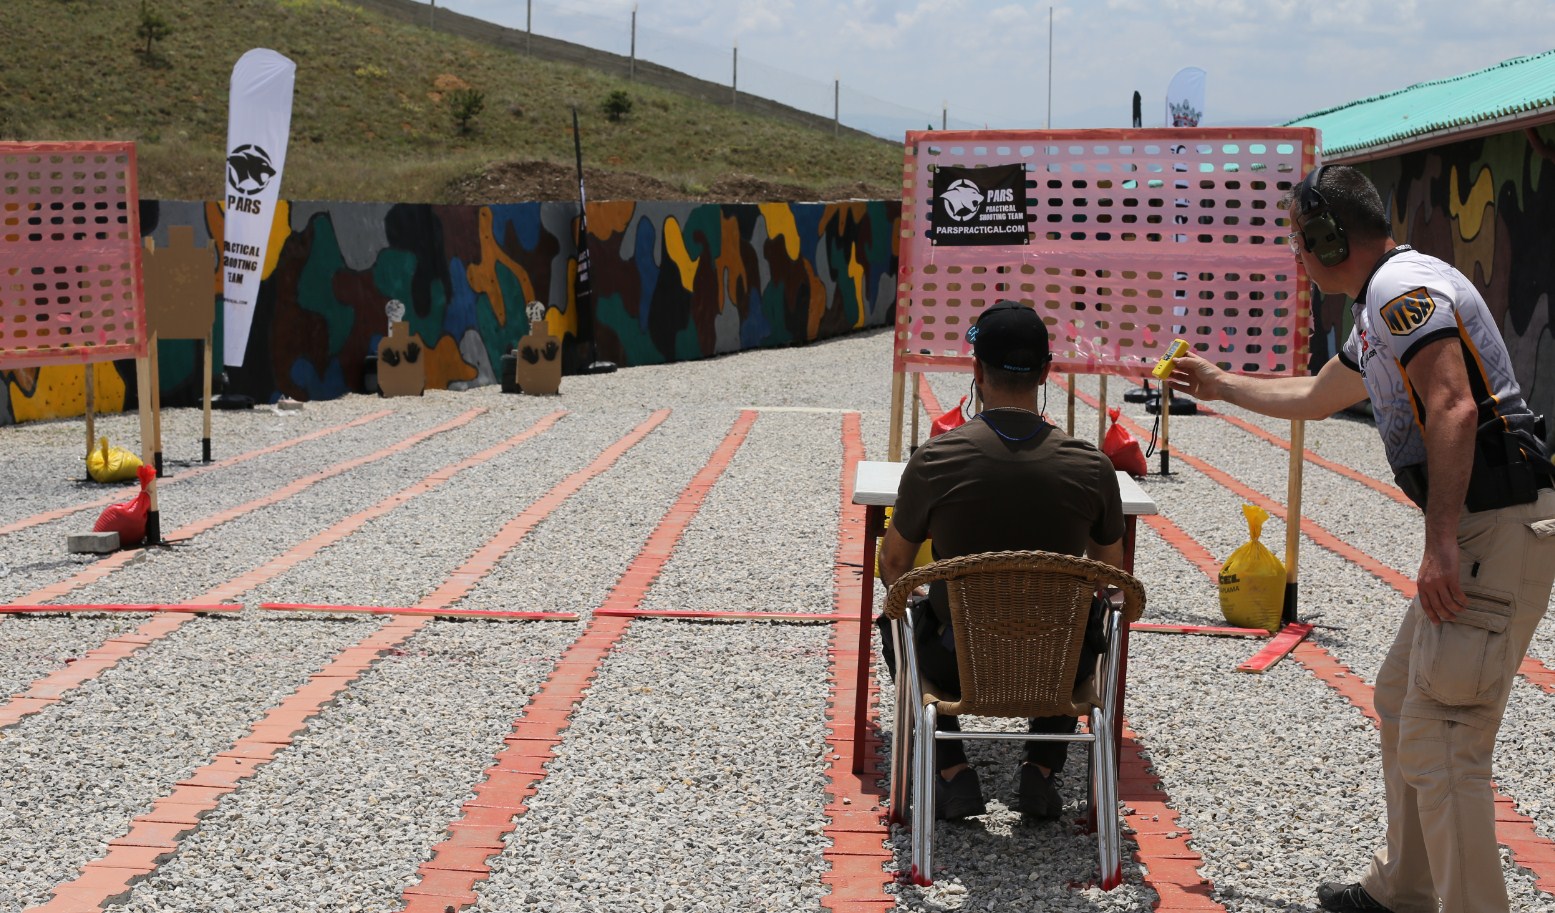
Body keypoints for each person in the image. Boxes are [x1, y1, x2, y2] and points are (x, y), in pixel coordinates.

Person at [1169, 164, 1555, 913]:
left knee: (1446, 741)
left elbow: (1452, 406)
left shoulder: (1399, 290)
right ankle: (1404, 888)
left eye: (1298, 238)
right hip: (1487, 525)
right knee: (1400, 698)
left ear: (1327, 238)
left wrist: (1439, 544)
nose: (1295, 253)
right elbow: (1318, 395)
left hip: (1492, 527)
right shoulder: (1382, 304)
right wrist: (1219, 384)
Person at [879, 299, 1126, 821]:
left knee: (895, 618)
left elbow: (893, 565)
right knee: (1085, 617)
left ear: (976, 369)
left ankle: (953, 773)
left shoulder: (935, 460)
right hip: (1059, 666)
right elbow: (1115, 579)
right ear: (1045, 373)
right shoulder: (1092, 466)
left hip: (955, 663)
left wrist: (925, 594)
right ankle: (1041, 770)